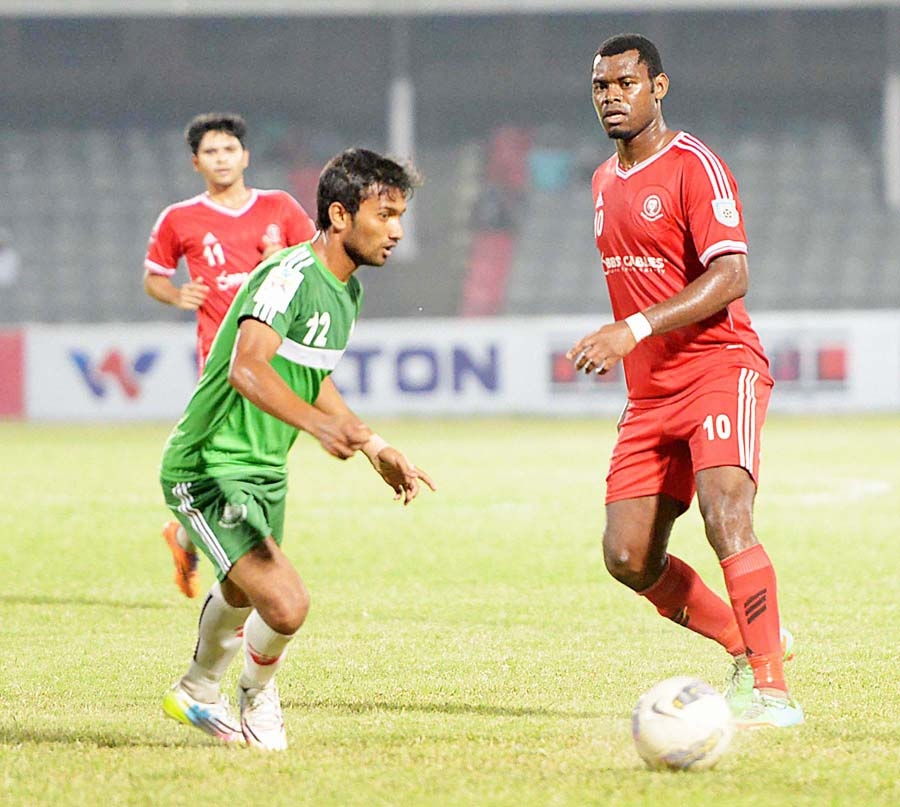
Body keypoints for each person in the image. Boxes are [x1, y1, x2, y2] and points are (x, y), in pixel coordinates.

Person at [159, 147, 436, 751]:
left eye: (401, 216)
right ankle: (256, 699)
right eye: (385, 214)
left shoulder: (346, 293)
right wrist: (316, 427)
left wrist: (372, 442)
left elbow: (313, 376)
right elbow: (246, 368)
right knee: (285, 605)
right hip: (208, 464)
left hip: (262, 470)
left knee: (241, 590)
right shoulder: (288, 276)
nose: (396, 230)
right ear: (340, 215)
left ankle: (195, 693)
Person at [568, 33, 803, 729]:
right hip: (650, 393)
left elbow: (732, 275)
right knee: (627, 555)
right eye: (601, 86)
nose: (612, 96)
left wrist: (631, 329)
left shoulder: (695, 165)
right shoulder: (603, 180)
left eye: (626, 83)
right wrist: (635, 344)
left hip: (718, 366)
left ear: (658, 88)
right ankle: (746, 641)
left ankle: (772, 691)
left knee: (725, 513)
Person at [143, 112, 317, 599]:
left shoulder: (280, 207)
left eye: (229, 149)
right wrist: (176, 295)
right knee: (226, 466)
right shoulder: (179, 218)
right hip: (220, 362)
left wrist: (277, 259)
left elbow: (314, 266)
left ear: (246, 156)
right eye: (211, 152)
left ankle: (184, 535)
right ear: (196, 162)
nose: (221, 158)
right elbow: (154, 275)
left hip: (274, 353)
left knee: (263, 458)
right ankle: (242, 573)